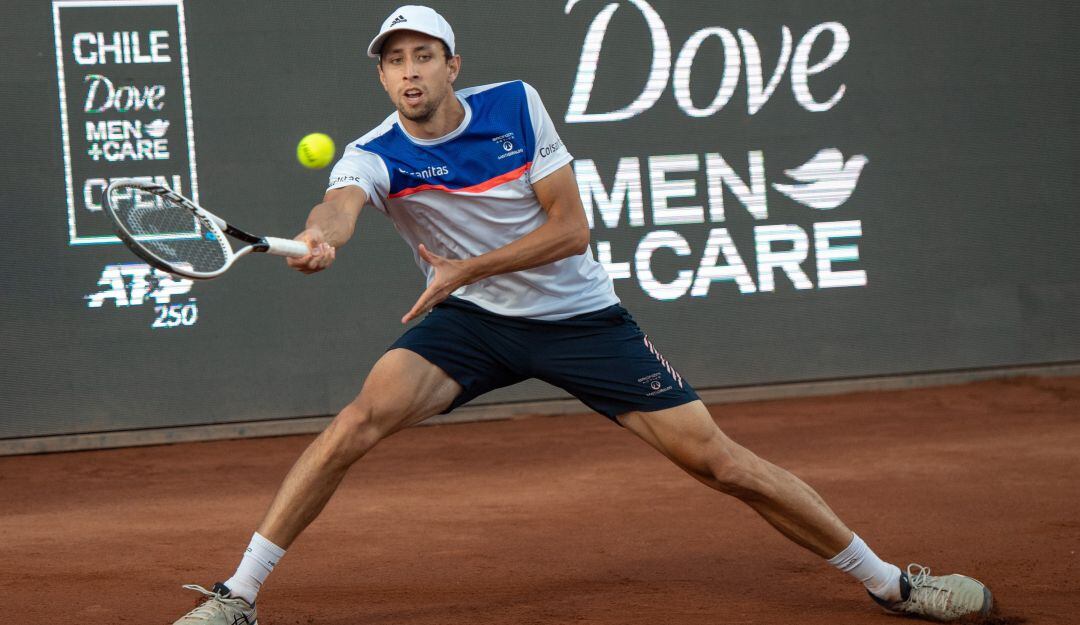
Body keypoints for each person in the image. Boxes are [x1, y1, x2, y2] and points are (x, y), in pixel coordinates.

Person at [172, 6, 992, 624]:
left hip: (580, 318)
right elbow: (341, 204)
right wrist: (322, 236)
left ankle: (893, 583)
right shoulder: (372, 152)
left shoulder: (518, 109)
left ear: (454, 64)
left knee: (720, 462)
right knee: (355, 421)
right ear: (382, 78)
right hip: (470, 324)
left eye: (424, 56)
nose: (409, 72)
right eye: (394, 62)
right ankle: (238, 594)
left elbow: (570, 229)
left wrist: (464, 266)